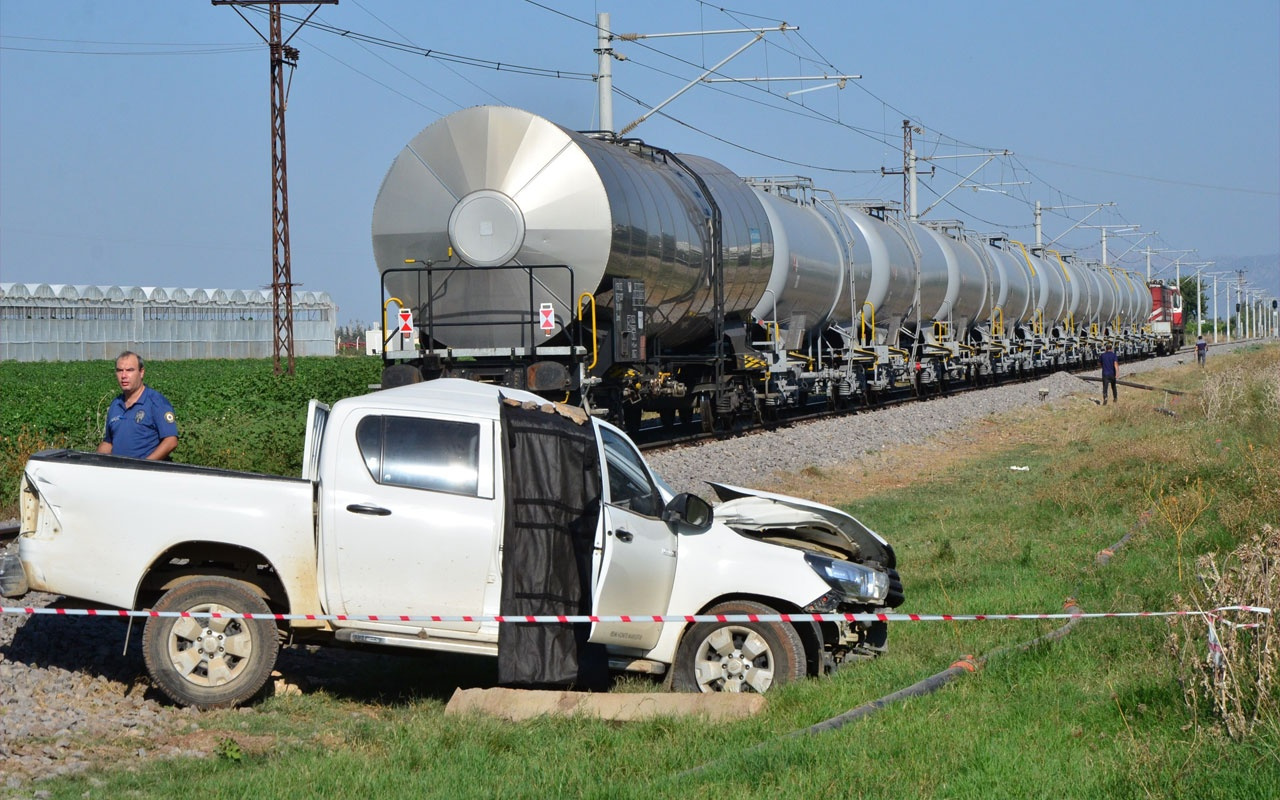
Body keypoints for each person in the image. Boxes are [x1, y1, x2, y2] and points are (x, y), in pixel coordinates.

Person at [97, 351, 179, 460]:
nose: (124, 376)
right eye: (120, 371)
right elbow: (109, 443)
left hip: (147, 473)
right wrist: (92, 462)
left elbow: (171, 441)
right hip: (119, 473)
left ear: (141, 372)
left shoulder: (156, 402)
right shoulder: (115, 404)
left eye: (130, 370)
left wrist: (145, 466)